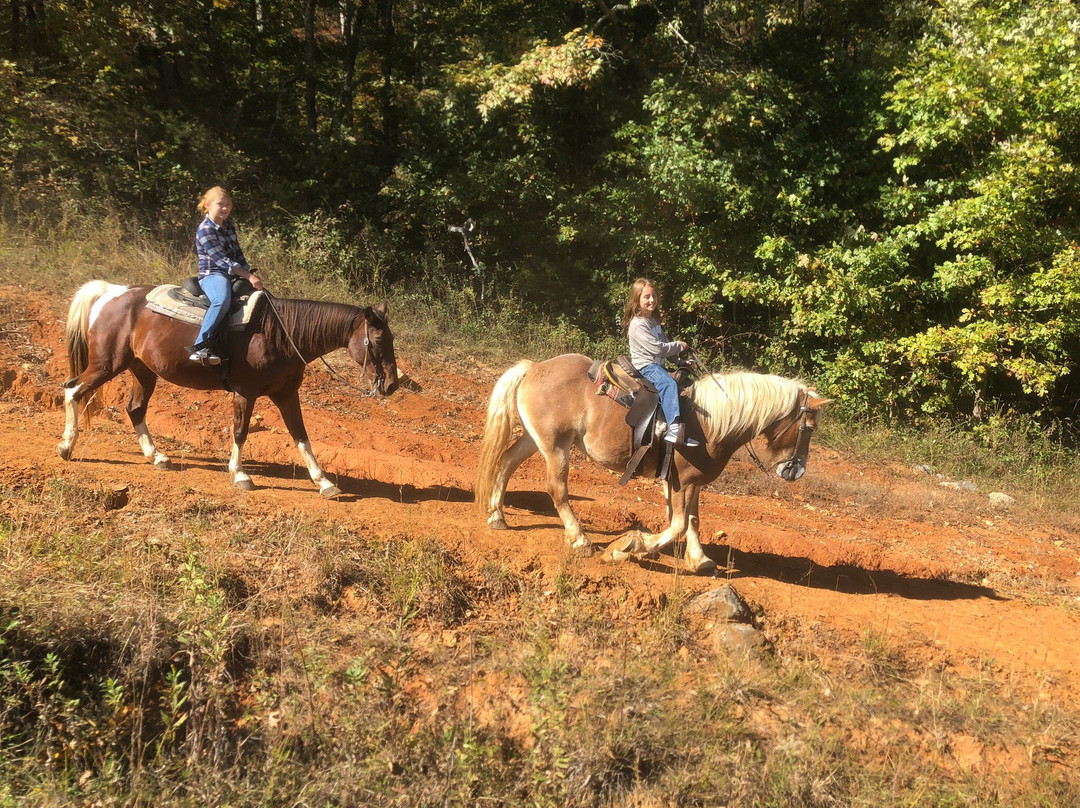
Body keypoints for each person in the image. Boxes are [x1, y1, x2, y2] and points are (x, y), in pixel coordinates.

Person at [189, 186, 264, 365]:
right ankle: (200, 347)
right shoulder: (205, 229)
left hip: (232, 273)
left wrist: (247, 271)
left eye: (228, 204)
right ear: (207, 205)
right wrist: (248, 276)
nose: (225, 208)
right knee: (221, 300)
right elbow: (222, 260)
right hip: (213, 274)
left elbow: (238, 254)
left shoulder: (228, 226)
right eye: (220, 204)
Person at [623, 277, 700, 447]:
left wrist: (680, 360)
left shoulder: (653, 321)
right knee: (668, 385)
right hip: (646, 365)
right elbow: (658, 349)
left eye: (654, 296)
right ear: (637, 300)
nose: (652, 300)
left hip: (658, 364)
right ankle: (673, 429)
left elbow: (664, 343)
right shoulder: (638, 324)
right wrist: (679, 345)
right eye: (646, 297)